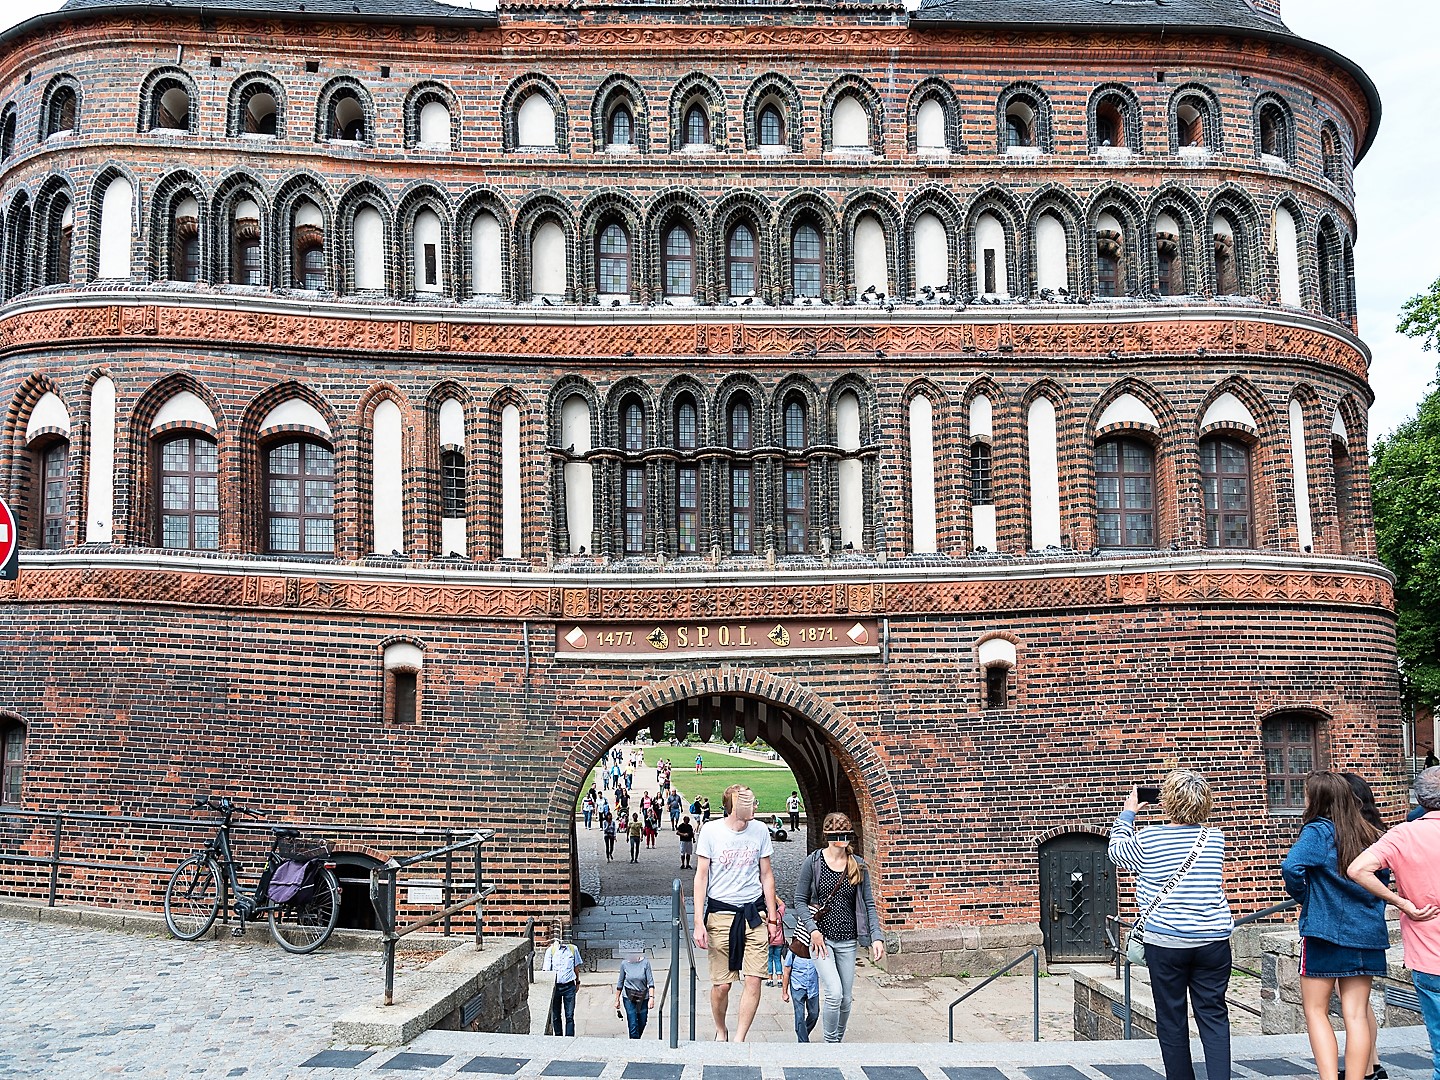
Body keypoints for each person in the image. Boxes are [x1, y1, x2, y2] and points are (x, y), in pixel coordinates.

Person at [1109, 771, 1233, 1080]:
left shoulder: (1150, 838)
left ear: (1167, 801)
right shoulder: (1214, 838)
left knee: (1172, 1018)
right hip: (1213, 940)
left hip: (1166, 941)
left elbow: (1115, 853)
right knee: (1214, 1015)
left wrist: (1128, 812)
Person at [1282, 772, 1387, 1080]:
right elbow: (1382, 880)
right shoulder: (1371, 832)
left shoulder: (1318, 831)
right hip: (1367, 931)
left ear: (1318, 799)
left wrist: (1305, 895)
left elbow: (1291, 867)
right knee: (1356, 1015)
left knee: (1316, 1011)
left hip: (1325, 931)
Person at [1349, 765, 1440, 1080]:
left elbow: (1357, 869)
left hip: (1429, 954)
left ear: (1419, 799)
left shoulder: (1403, 834)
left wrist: (1401, 902)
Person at [693, 784, 778, 1042]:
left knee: (753, 979)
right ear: (735, 807)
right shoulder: (711, 831)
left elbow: (767, 875)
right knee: (722, 985)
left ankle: (740, 1039)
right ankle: (721, 1029)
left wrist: (773, 919)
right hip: (721, 914)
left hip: (754, 915)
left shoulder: (760, 830)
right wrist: (699, 921)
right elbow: (701, 877)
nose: (755, 806)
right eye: (750, 803)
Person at [793, 811, 884, 1043]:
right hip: (821, 939)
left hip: (847, 939)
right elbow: (799, 900)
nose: (843, 839)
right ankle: (831, 1044)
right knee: (834, 993)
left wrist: (876, 937)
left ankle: (838, 1042)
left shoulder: (858, 865)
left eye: (846, 835)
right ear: (828, 835)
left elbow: (869, 904)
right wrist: (812, 929)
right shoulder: (814, 862)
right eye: (838, 835)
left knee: (845, 998)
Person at [1342, 772, 1389, 1080]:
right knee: (1361, 1003)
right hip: (1371, 920)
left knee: (1354, 1007)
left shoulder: (1349, 836)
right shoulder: (1379, 833)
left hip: (1346, 923)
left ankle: (1364, 1069)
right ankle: (1372, 1064)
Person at [542, 922, 582, 1036]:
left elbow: (576, 967)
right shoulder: (551, 951)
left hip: (569, 986)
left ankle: (569, 1038)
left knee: (569, 1015)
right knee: (556, 1016)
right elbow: (546, 970)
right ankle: (558, 1037)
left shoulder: (573, 949)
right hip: (556, 987)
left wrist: (577, 982)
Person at [781, 945, 821, 1042]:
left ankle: (803, 1033)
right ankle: (803, 1042)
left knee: (814, 1014)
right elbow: (786, 972)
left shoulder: (816, 950)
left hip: (812, 988)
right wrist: (784, 992)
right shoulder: (793, 951)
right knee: (799, 1016)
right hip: (797, 987)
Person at [614, 949, 656, 1039]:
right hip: (628, 996)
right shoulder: (624, 964)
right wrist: (617, 1000)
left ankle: (636, 1040)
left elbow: (651, 982)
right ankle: (634, 1044)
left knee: (642, 1021)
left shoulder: (645, 963)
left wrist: (651, 998)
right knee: (632, 1022)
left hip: (643, 996)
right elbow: (620, 982)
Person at [766, 896, 787, 986]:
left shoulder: (767, 916)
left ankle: (770, 979)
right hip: (779, 941)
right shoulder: (779, 914)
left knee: (769, 960)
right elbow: (782, 904)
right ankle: (779, 979)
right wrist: (774, 896)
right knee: (778, 959)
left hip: (770, 941)